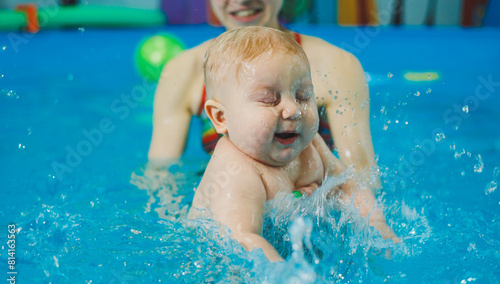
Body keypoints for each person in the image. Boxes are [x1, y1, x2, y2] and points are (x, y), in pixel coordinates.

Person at [187, 26, 398, 262]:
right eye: (269, 99)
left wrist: (377, 226)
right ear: (221, 118)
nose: (293, 110)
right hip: (221, 266)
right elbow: (243, 239)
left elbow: (348, 185)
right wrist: (291, 280)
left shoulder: (309, 145)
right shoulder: (235, 172)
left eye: (303, 95)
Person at [149, 0, 377, 189]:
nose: (242, 1)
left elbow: (363, 177)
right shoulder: (182, 71)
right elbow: (161, 177)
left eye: (302, 95)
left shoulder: (335, 65)